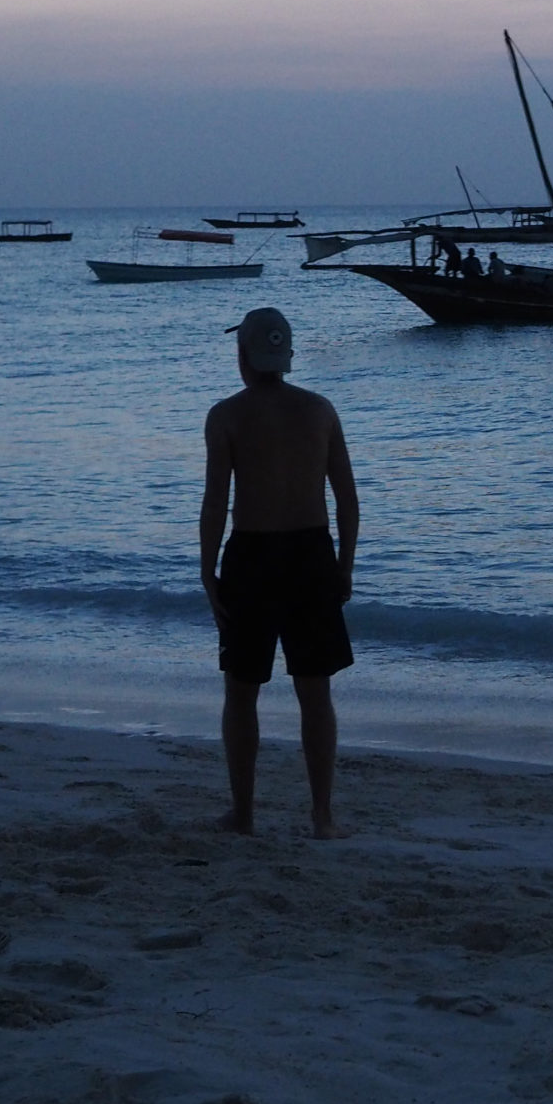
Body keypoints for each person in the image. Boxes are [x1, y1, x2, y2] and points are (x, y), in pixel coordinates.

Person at [201, 307, 359, 838]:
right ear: (285, 355)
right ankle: (322, 815)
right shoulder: (320, 410)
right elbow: (347, 499)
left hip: (252, 557)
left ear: (244, 355)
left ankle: (243, 813)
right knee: (315, 693)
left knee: (241, 691)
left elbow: (216, 503)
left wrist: (207, 570)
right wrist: (345, 563)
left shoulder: (226, 416)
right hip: (312, 554)